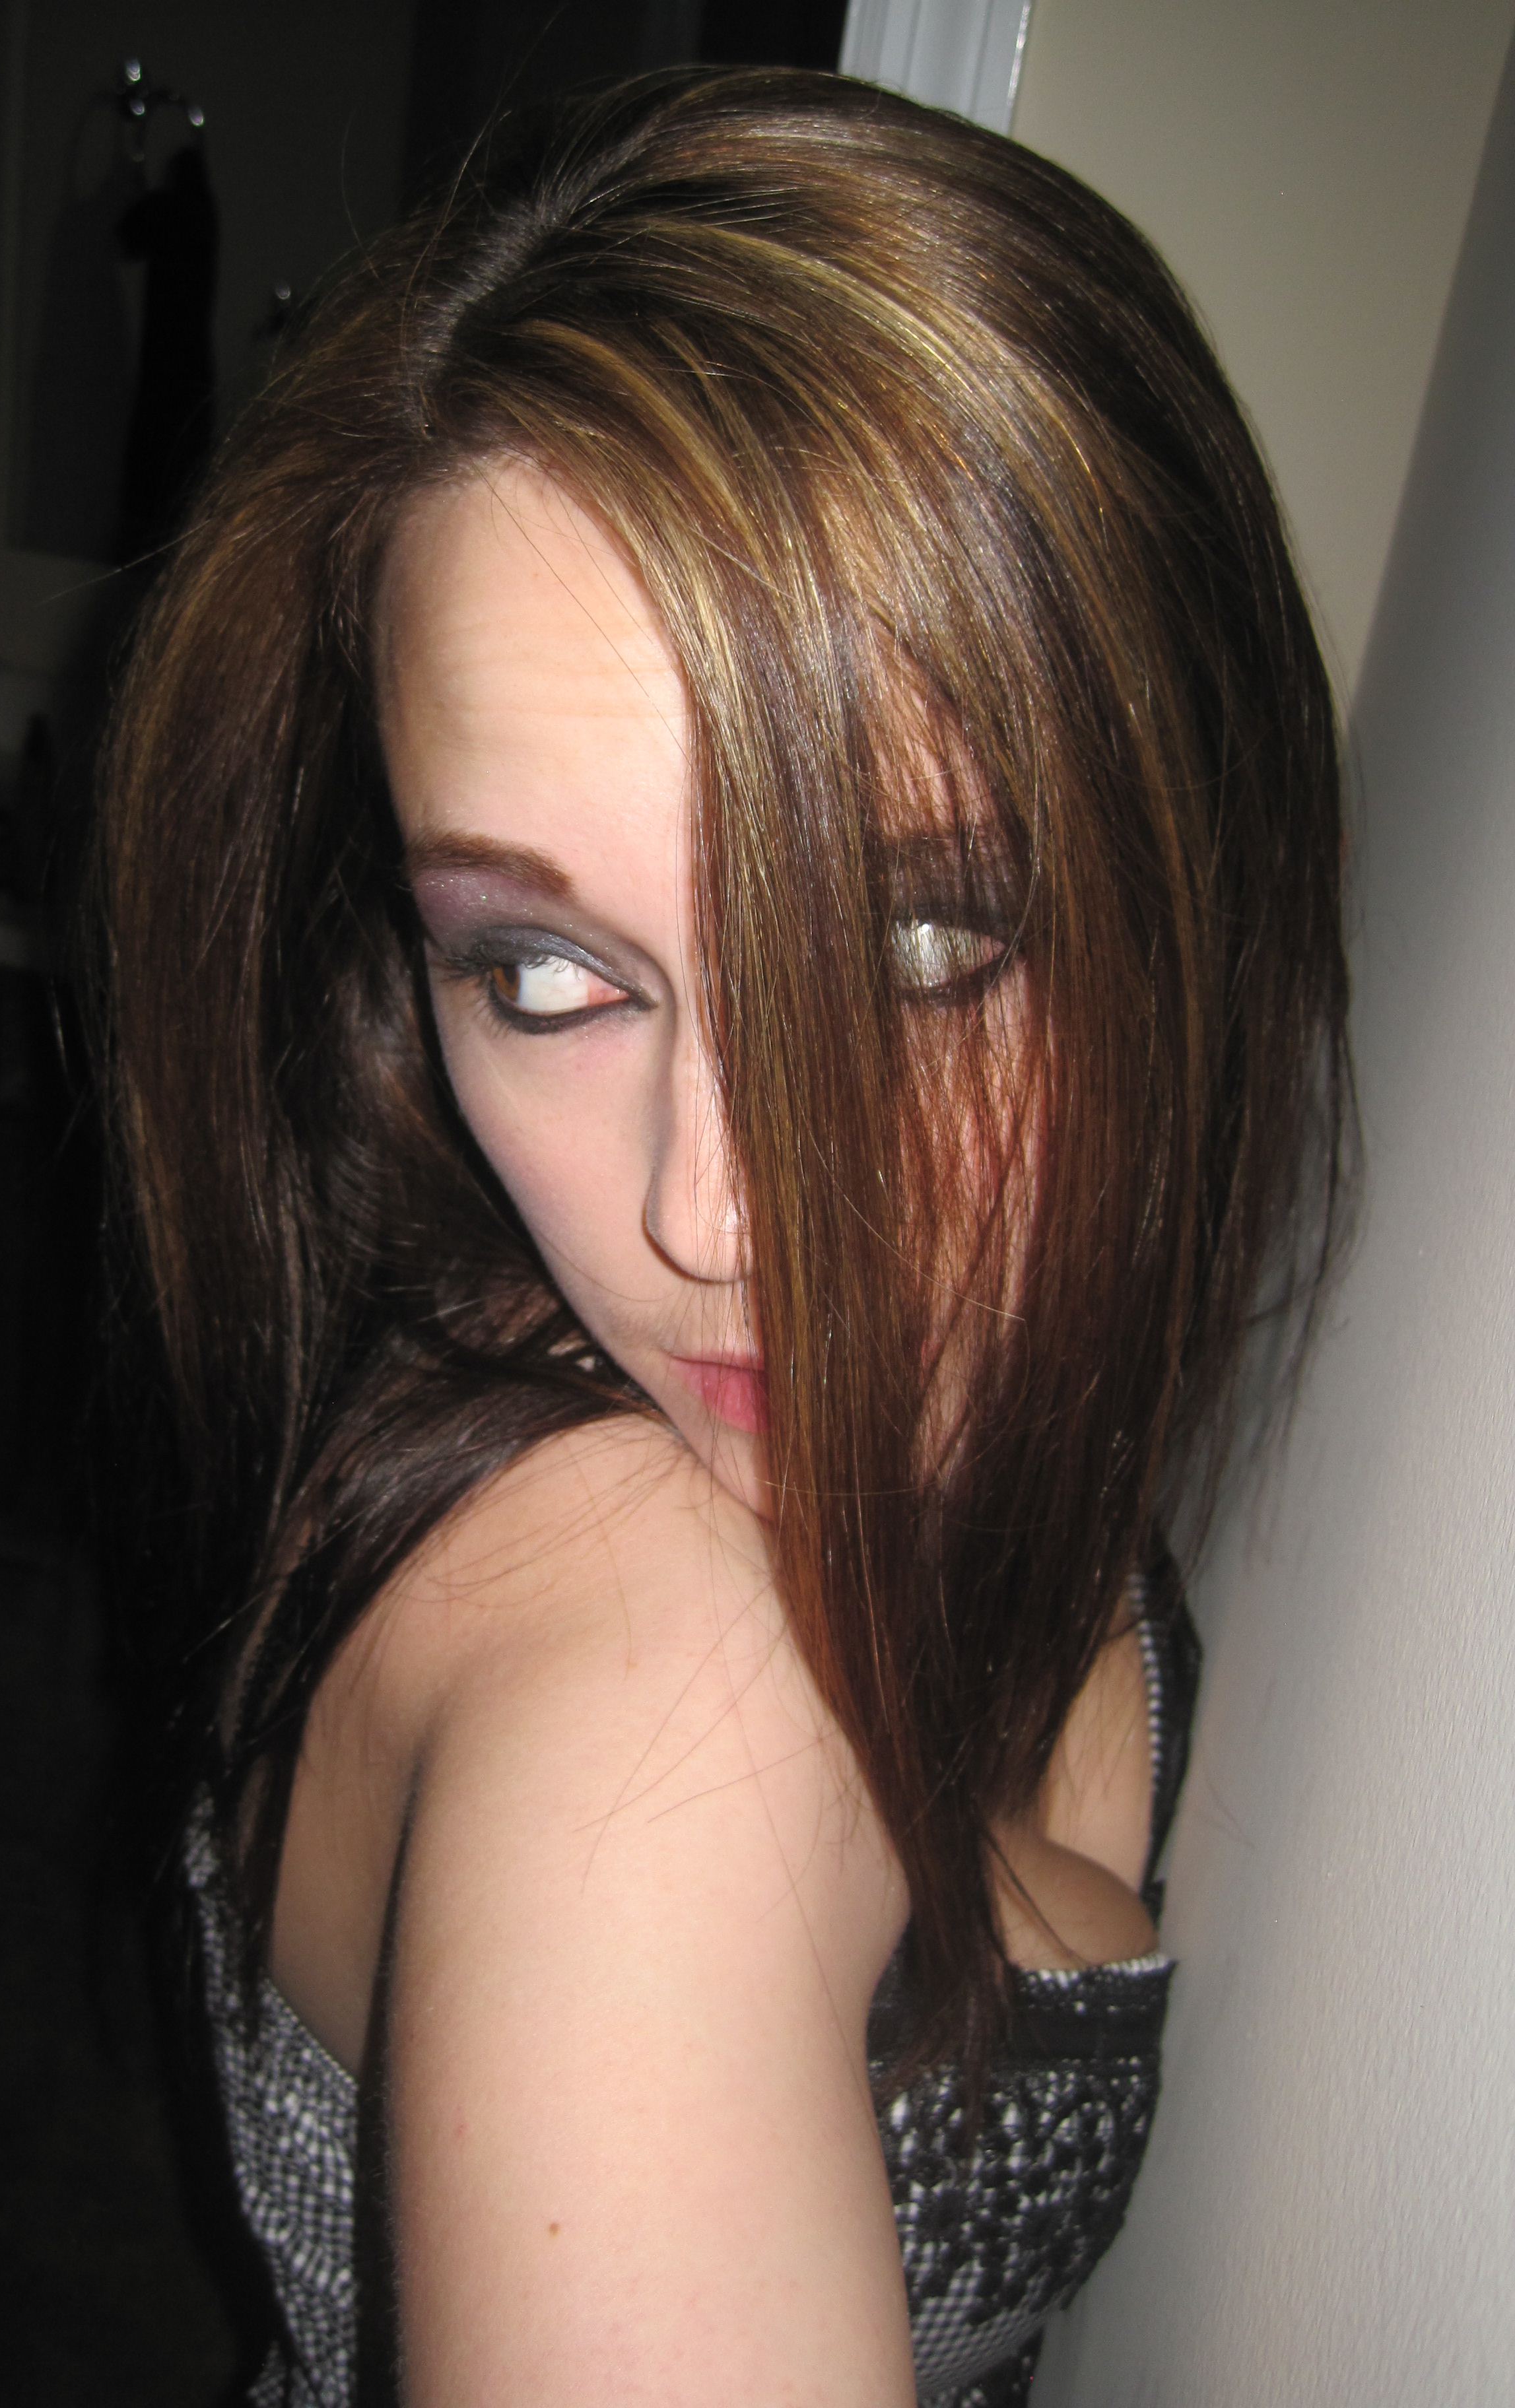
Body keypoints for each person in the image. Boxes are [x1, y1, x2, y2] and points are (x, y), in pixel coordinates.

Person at [94, 67, 1349, 2407]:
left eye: (917, 944)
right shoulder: (657, 1702)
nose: (710, 1215)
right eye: (543, 973)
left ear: (1202, 871)